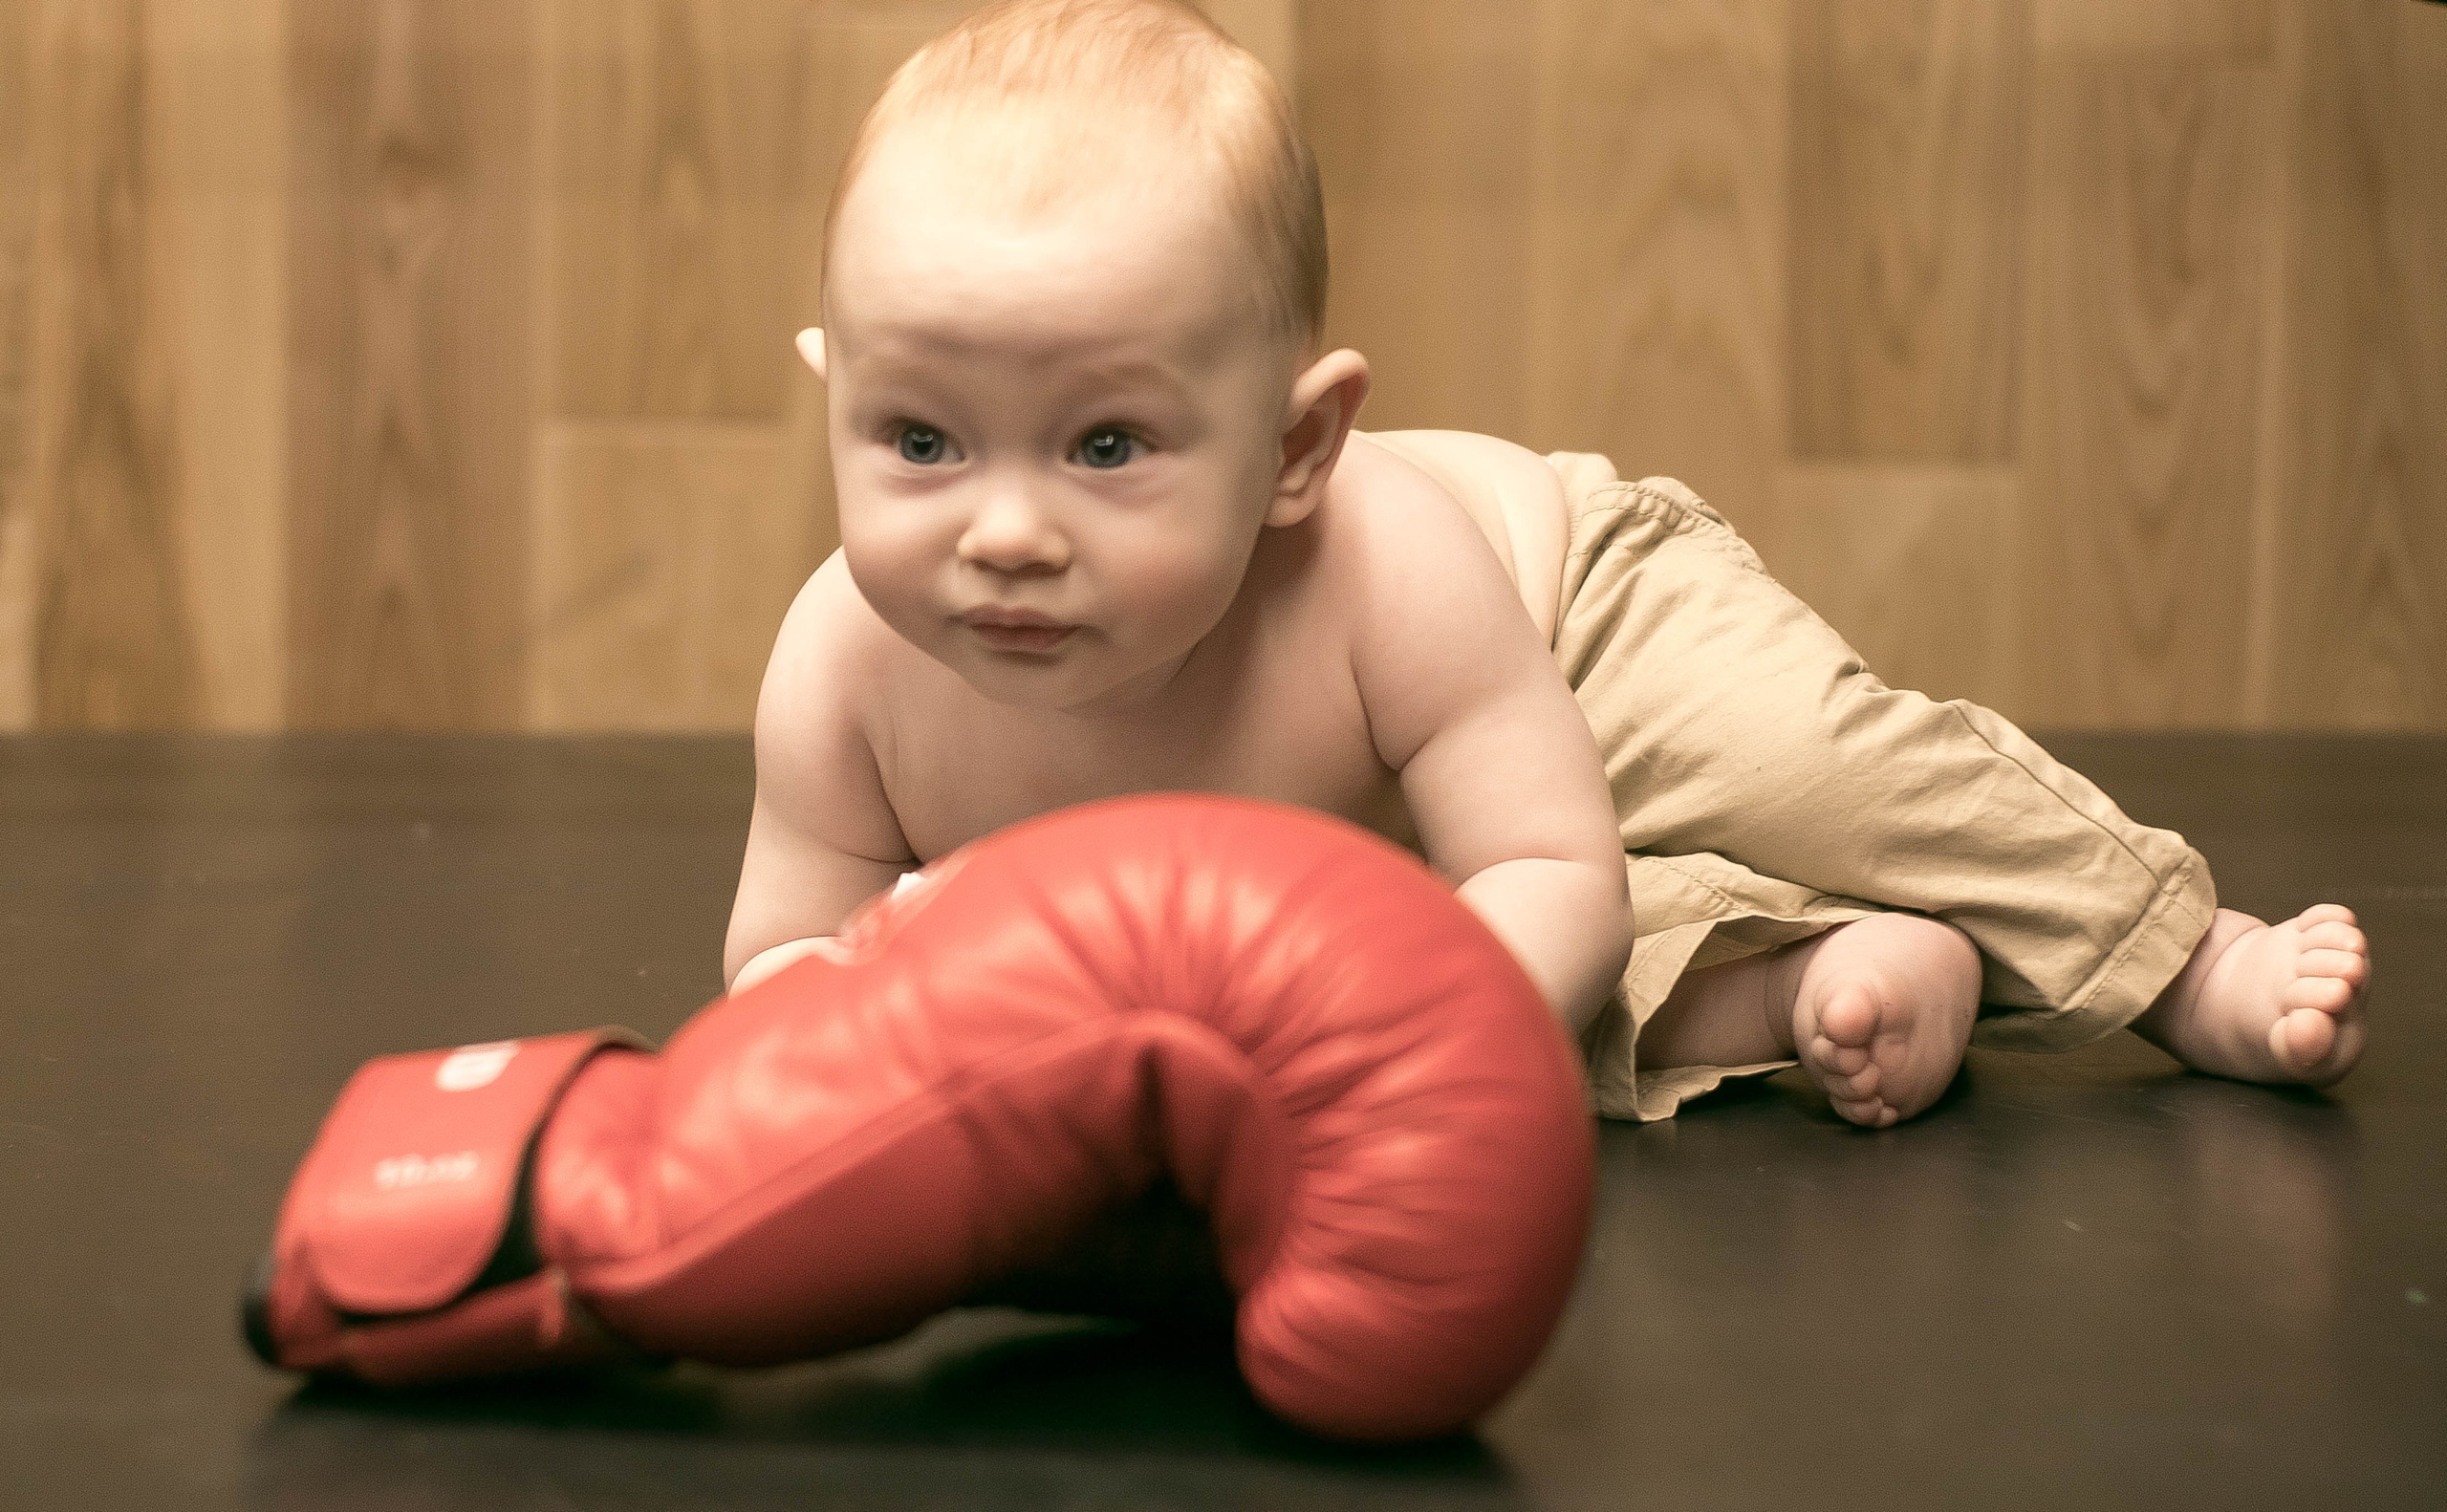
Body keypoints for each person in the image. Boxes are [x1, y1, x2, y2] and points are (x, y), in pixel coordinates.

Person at [722, 0, 2370, 1128]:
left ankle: (2174, 945)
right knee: (1499, 1048)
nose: (1003, 531)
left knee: (1817, 775)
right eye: (922, 441)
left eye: (1103, 448)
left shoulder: (1388, 575)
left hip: (1579, 620)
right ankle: (1803, 979)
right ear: (838, 401)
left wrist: (1367, 1043)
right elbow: (778, 968)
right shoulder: (846, 671)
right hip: (1374, 869)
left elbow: (1553, 874)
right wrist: (889, 1000)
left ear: (1298, 454)